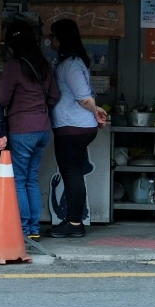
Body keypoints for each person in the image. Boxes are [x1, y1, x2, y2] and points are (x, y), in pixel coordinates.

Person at [0, 21, 60, 240]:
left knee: (20, 180)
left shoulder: (14, 66)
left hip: (22, 130)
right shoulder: (44, 65)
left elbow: (1, 98)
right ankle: (33, 229)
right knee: (31, 179)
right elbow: (54, 96)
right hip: (43, 129)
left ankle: (22, 229)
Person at [47, 19, 107, 238]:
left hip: (74, 127)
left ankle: (74, 223)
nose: (50, 39)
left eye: (53, 35)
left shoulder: (71, 64)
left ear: (62, 38)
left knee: (72, 174)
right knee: (72, 174)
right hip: (74, 126)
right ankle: (73, 220)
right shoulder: (72, 62)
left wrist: (94, 109)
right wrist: (95, 110)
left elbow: (83, 98)